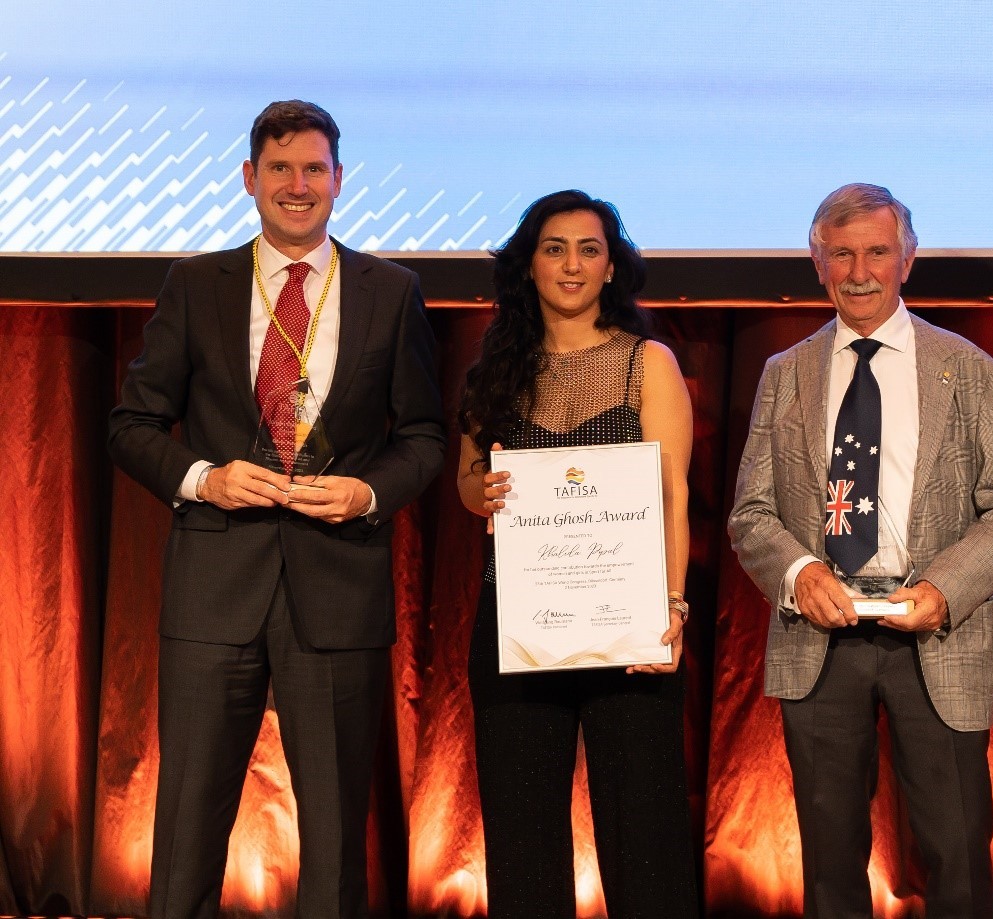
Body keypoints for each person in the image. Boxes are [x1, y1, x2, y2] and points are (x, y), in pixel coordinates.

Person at [108, 100, 445, 919]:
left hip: (337, 592)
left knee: (334, 838)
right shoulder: (194, 284)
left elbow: (427, 436)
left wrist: (368, 491)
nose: (299, 185)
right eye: (281, 168)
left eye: (315, 169)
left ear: (338, 179)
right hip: (214, 590)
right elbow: (133, 424)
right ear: (249, 178)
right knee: (187, 826)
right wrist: (202, 478)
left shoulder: (391, 291)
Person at [727, 183, 993, 919]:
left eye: (876, 251)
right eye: (841, 253)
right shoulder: (783, 373)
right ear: (817, 263)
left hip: (935, 629)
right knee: (830, 862)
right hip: (819, 634)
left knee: (957, 851)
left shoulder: (968, 370)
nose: (859, 270)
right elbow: (751, 513)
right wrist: (799, 573)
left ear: (907, 259)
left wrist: (944, 589)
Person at [455, 190, 698, 918]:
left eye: (588, 248)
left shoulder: (645, 362)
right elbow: (469, 483)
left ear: (611, 266)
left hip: (629, 625)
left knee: (645, 835)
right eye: (553, 247)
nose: (571, 263)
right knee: (521, 837)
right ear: (527, 265)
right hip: (519, 621)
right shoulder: (493, 368)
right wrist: (483, 492)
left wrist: (673, 607)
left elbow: (673, 497)